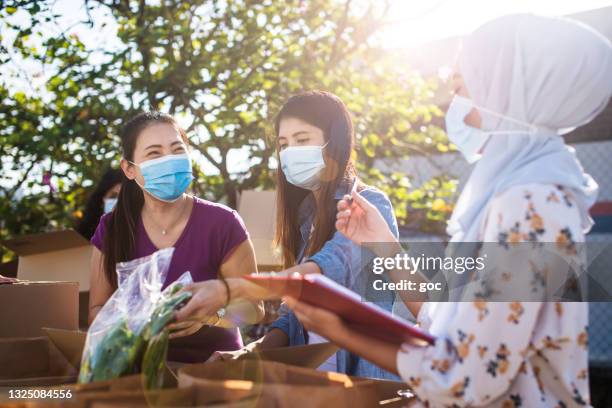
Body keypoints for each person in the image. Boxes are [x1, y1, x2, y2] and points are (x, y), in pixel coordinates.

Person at [284, 14, 612, 406]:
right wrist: (384, 245)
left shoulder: (530, 201)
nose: (459, 110)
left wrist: (341, 330)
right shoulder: (521, 191)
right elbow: (447, 320)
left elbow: (467, 375)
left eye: (464, 87)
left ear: (507, 91)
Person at [176, 90, 400, 379]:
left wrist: (230, 289)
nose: (290, 152)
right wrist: (246, 353)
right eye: (284, 144)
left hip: (363, 386)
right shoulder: (305, 220)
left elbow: (323, 272)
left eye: (302, 140)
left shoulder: (370, 205)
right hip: (312, 386)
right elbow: (290, 319)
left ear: (335, 142)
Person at [88, 111, 263, 363]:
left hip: (212, 369)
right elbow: (96, 312)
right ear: (129, 169)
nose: (168, 160)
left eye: (177, 149)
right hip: (136, 370)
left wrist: (210, 316)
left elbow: (254, 311)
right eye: (154, 153)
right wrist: (137, 322)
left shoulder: (223, 223)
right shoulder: (113, 228)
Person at [76, 168, 123, 240]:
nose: (117, 203)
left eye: (124, 198)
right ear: (102, 199)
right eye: (113, 196)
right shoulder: (82, 238)